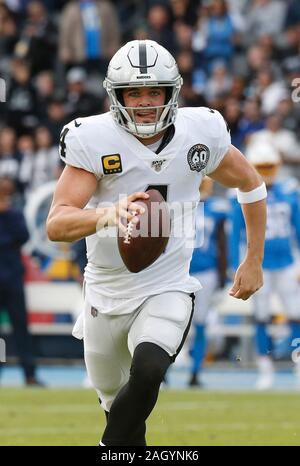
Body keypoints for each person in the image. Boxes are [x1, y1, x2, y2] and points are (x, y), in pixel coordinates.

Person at [47, 40, 267, 446]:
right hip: (105, 292)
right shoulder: (93, 139)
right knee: (123, 414)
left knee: (149, 370)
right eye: (134, 92)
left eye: (154, 92)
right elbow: (56, 223)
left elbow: (251, 184)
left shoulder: (200, 132)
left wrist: (254, 258)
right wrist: (108, 214)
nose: (145, 102)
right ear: (117, 96)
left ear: (172, 93)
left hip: (166, 285)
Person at [229, 142, 300, 390]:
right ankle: (265, 368)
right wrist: (233, 265)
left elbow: (298, 229)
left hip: (287, 263)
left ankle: (297, 362)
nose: (266, 171)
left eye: (270, 166)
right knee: (260, 317)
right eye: (261, 166)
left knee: (296, 314)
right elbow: (235, 234)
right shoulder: (242, 194)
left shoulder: (290, 191)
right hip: (259, 265)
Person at [0, 177, 42, 386]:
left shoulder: (13, 214)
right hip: (12, 277)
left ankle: (29, 373)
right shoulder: (14, 216)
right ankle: (27, 373)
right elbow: (20, 238)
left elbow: (24, 236)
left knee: (21, 328)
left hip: (13, 279)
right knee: (14, 330)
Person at [188, 176, 229, 387]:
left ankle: (195, 372)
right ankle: (163, 374)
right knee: (174, 324)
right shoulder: (177, 205)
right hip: (179, 271)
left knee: (201, 323)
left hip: (206, 272)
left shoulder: (216, 208)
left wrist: (222, 278)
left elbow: (222, 243)